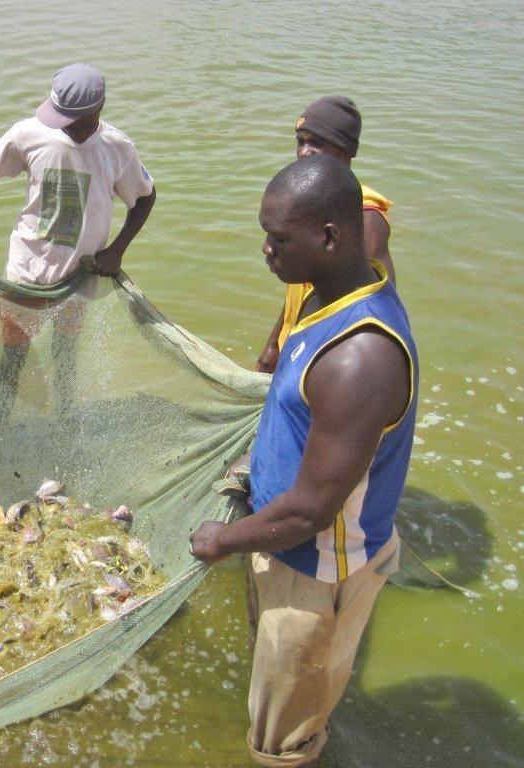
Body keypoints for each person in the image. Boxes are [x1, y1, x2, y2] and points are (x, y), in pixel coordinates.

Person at [190, 155, 417, 767]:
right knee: (283, 701)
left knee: (284, 739)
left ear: (330, 237)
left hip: (320, 571)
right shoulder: (328, 294)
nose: (266, 250)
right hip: (287, 541)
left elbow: (315, 508)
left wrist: (222, 539)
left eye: (280, 238)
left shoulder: (359, 358)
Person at [0, 63, 156, 426]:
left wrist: (117, 249)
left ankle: (63, 422)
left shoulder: (117, 148)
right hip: (26, 272)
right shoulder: (30, 134)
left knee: (66, 354)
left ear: (99, 108)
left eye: (73, 119)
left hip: (79, 275)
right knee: (13, 357)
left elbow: (145, 197)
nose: (63, 125)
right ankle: (1, 427)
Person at [256, 96, 394, 373]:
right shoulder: (310, 203)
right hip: (296, 340)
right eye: (300, 141)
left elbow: (373, 302)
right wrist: (275, 341)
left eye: (317, 143)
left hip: (321, 353)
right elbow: (302, 286)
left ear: (346, 151)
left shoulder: (363, 215)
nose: (304, 152)